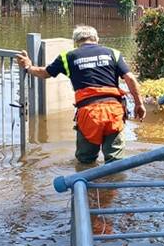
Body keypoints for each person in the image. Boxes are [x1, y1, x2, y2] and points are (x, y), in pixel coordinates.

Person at [16, 25, 146, 164]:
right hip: (113, 111)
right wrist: (139, 104)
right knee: (115, 162)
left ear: (76, 41)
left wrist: (28, 67)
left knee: (85, 161)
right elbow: (130, 79)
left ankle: (86, 185)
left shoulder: (67, 57)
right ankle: (113, 184)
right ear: (96, 39)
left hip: (88, 114)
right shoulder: (113, 53)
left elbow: (45, 73)